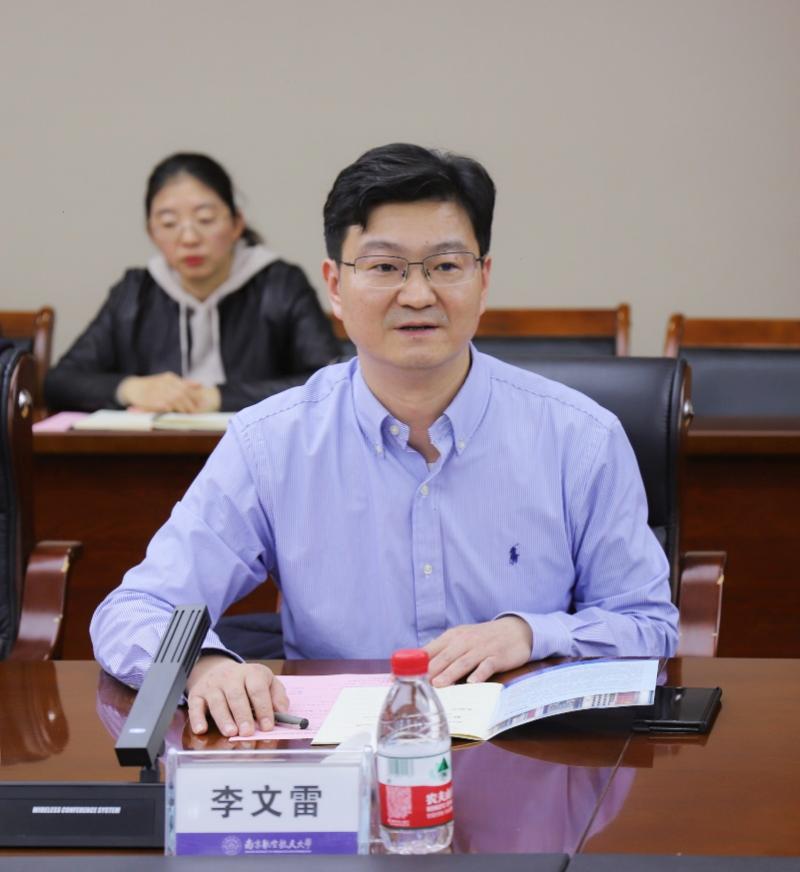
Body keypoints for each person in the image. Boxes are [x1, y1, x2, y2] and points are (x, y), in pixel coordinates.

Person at [92, 143, 678, 739]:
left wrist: (530, 634)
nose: (417, 294)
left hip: (530, 760)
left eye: (445, 266)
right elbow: (134, 610)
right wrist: (203, 666)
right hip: (343, 770)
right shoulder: (271, 443)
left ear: (483, 280)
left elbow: (649, 627)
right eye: (384, 267)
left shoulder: (580, 438)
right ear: (335, 286)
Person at [44, 152, 340, 413]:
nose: (188, 238)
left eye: (206, 219)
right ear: (151, 232)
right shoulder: (135, 292)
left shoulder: (279, 284)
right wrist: (131, 388)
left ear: (236, 224)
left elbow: (328, 380)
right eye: (169, 223)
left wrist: (219, 397)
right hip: (153, 451)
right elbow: (59, 382)